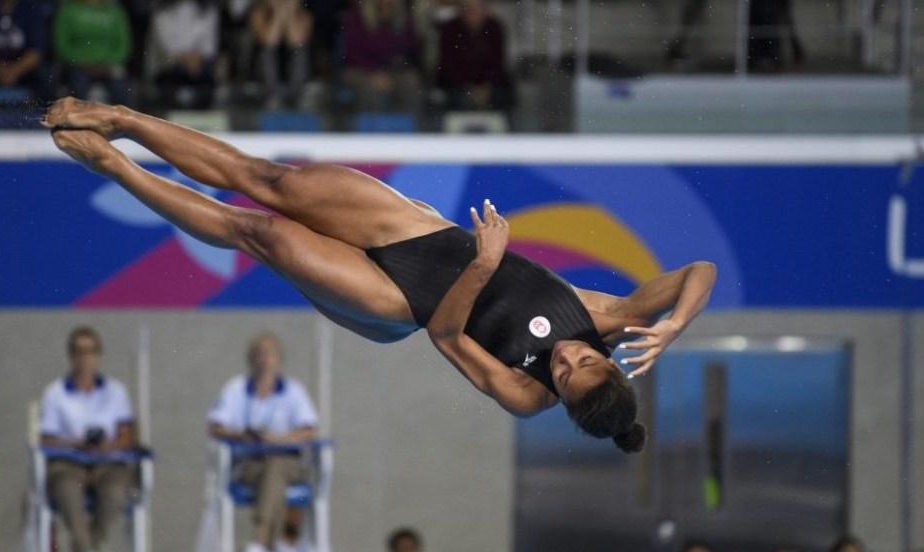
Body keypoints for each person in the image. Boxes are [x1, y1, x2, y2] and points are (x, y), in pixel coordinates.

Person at [41, 97, 717, 454]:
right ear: (610, 361)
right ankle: (121, 119)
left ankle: (114, 166)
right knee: (268, 180)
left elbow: (448, 336)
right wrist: (676, 324)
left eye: (564, 380)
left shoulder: (524, 393)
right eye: (581, 363)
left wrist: (484, 267)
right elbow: (699, 270)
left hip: (403, 304)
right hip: (422, 234)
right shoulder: (605, 317)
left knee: (259, 232)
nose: (564, 361)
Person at [208, 332, 318, 552]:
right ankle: (269, 546)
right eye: (260, 354)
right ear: (251, 359)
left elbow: (309, 430)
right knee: (271, 475)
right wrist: (242, 435)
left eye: (269, 354)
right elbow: (216, 427)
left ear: (278, 358)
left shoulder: (293, 391)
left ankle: (260, 539)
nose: (265, 359)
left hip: (287, 463)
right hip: (250, 464)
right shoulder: (235, 389)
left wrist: (280, 438)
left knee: (276, 466)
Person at [39, 326, 137, 552]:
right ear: (71, 355)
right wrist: (73, 442)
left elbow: (127, 437)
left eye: (90, 351)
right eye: (79, 352)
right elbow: (47, 439)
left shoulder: (116, 392)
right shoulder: (55, 394)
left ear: (99, 355)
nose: (85, 358)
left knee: (116, 492)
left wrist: (108, 445)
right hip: (69, 462)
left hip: (108, 462)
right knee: (66, 489)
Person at [341, 0, 421, 112]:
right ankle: (372, 127)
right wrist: (374, 73)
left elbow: (410, 46)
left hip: (393, 70)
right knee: (370, 87)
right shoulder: (357, 13)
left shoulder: (403, 16)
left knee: (411, 82)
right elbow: (353, 51)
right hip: (360, 70)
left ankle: (405, 126)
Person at [435, 0, 510, 111]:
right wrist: (469, 88)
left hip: (488, 85)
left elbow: (497, 62)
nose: (474, 13)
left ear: (485, 10)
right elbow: (448, 63)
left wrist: (486, 87)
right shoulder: (450, 29)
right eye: (469, 9)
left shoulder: (495, 28)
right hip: (458, 84)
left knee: (504, 94)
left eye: (478, 9)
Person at [53, 0, 132, 105]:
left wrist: (107, 64)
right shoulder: (68, 10)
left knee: (120, 88)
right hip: (78, 66)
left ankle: (121, 120)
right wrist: (83, 63)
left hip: (109, 66)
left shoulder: (115, 11)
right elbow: (61, 46)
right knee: (78, 86)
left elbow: (124, 46)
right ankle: (76, 120)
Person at [147, 0, 220, 109]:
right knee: (171, 72)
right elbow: (166, 46)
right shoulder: (161, 12)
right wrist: (185, 59)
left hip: (198, 64)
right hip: (170, 64)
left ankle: (202, 113)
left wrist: (196, 58)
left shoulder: (208, 11)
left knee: (206, 74)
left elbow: (209, 47)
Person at [249, 0, 313, 109]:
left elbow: (298, 43)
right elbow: (268, 42)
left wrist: (290, 13)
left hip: (294, 78)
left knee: (300, 54)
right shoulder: (259, 12)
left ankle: (295, 97)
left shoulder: (304, 15)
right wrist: (278, 15)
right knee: (266, 53)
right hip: (266, 79)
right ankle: (273, 97)